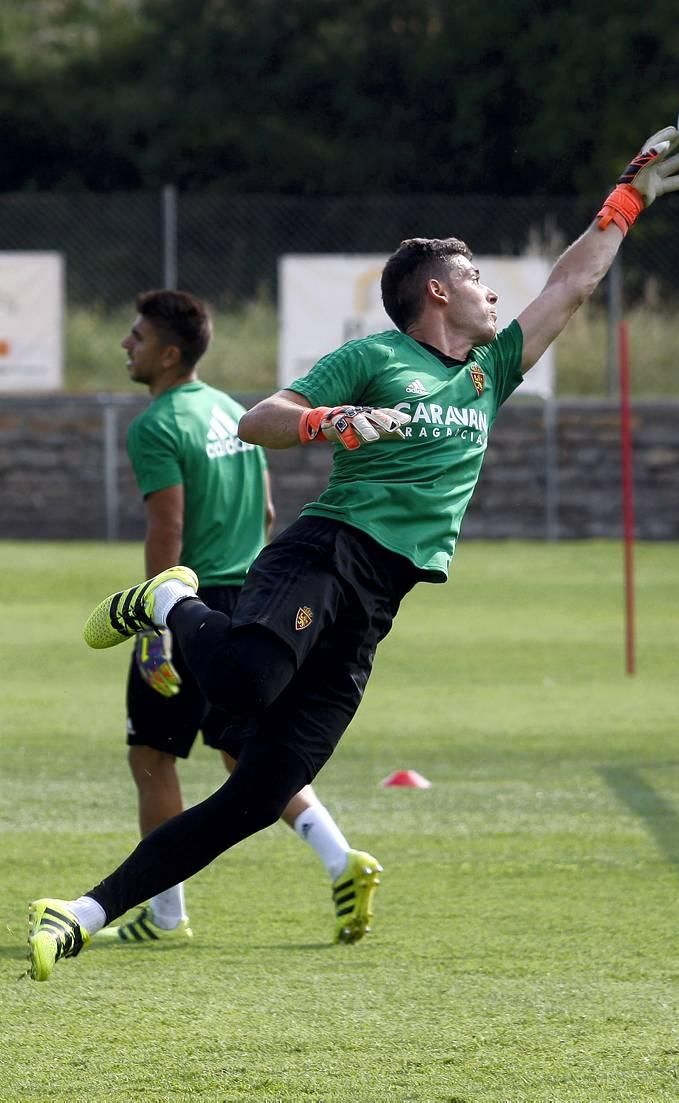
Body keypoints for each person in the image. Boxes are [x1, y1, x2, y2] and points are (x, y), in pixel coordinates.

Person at [27, 128, 679, 980]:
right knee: (241, 683)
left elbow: (575, 280)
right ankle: (165, 601)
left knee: (260, 793)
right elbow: (256, 417)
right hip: (328, 552)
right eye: (479, 278)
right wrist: (327, 421)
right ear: (439, 292)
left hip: (381, 597)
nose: (495, 292)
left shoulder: (491, 369)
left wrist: (628, 196)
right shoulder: (374, 357)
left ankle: (80, 914)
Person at [90, 289, 382, 950]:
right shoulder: (232, 411)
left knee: (152, 756)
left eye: (136, 337)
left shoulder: (157, 424)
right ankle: (342, 859)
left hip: (191, 608)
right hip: (255, 600)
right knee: (246, 755)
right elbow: (272, 515)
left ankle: (165, 916)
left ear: (167, 353)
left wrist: (155, 626)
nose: (125, 346)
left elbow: (168, 528)